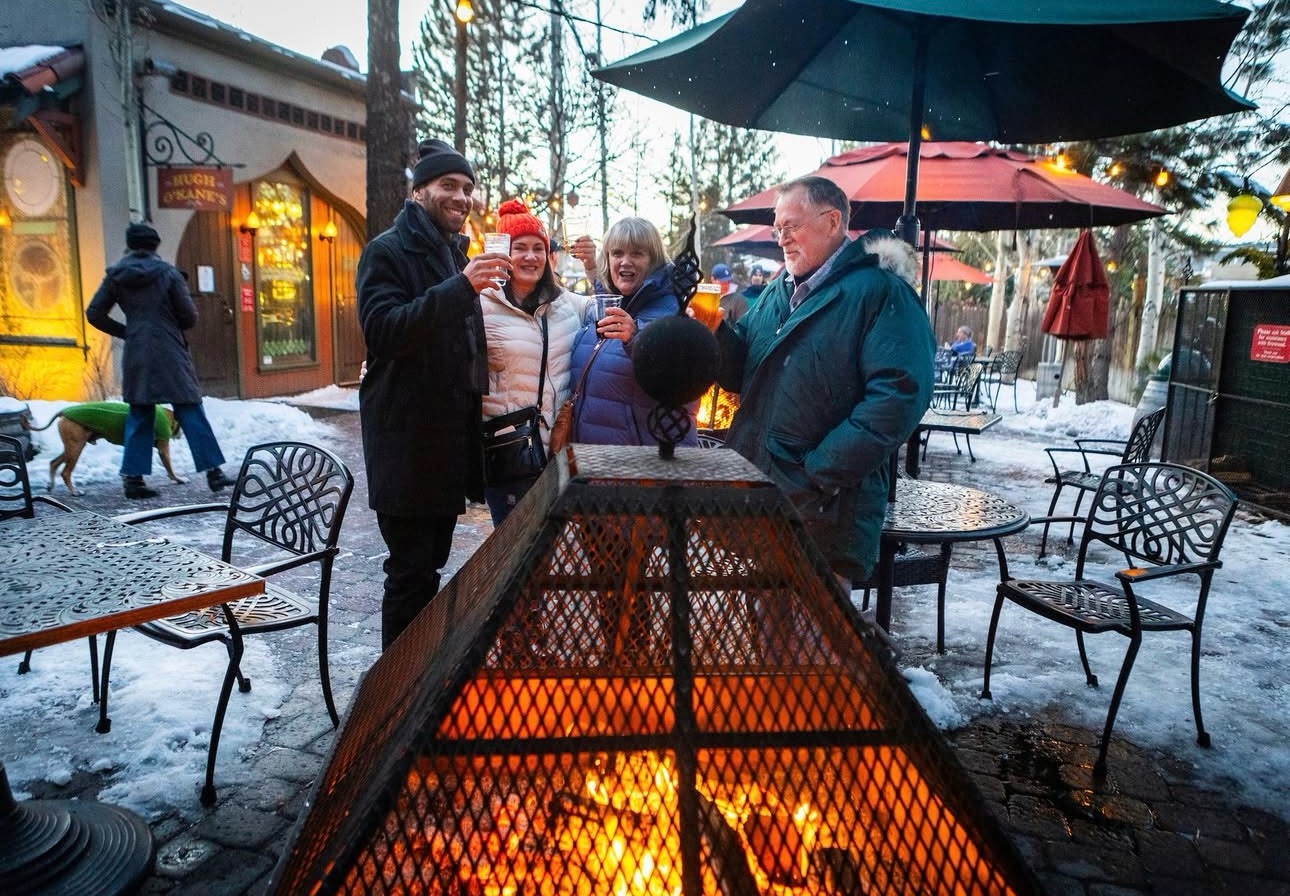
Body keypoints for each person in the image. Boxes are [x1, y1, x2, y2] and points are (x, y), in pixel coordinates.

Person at [709, 175, 934, 586]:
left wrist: (816, 473)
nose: (781, 239)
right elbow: (745, 371)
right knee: (763, 622)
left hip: (826, 515)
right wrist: (716, 335)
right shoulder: (779, 290)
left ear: (832, 222)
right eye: (777, 229)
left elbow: (898, 397)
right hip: (763, 501)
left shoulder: (882, 292)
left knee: (811, 627)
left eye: (790, 226)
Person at [356, 138, 513, 650]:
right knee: (409, 574)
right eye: (449, 185)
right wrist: (461, 288)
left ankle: (415, 674)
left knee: (427, 570)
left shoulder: (451, 253)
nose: (461, 197)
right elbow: (383, 331)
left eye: (467, 188)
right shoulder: (387, 251)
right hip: (405, 444)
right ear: (419, 191)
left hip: (443, 446)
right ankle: (394, 687)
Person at [86, 222, 235, 500]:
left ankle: (134, 480)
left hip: (138, 351)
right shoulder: (168, 274)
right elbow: (189, 316)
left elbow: (94, 313)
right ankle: (214, 473)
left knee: (140, 413)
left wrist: (127, 332)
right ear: (155, 246)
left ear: (130, 245)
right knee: (190, 409)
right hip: (169, 350)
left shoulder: (117, 276)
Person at [479, 199, 591, 524]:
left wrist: (594, 267)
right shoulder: (481, 304)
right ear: (504, 253)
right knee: (516, 546)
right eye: (520, 248)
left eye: (538, 248)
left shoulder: (567, 304)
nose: (531, 256)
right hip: (510, 454)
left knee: (552, 544)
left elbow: (613, 304)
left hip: (557, 451)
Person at [566, 217, 699, 447]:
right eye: (617, 253)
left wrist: (637, 339)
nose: (625, 262)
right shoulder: (604, 309)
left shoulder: (676, 311)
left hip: (643, 462)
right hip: (592, 459)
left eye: (637, 253)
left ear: (653, 260)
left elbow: (685, 382)